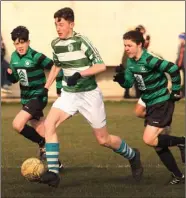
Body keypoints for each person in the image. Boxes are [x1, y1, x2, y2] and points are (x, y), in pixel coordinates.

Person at [37, 7, 143, 188]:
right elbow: (57, 65)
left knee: (103, 140)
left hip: (89, 95)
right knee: (49, 125)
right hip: (69, 95)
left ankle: (133, 155)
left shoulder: (82, 41)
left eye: (61, 24)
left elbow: (100, 66)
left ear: (71, 24)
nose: (58, 28)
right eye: (56, 24)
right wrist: (46, 87)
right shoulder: (56, 43)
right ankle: (54, 173)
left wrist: (79, 74)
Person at [113, 30, 185, 185]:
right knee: (157, 144)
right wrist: (120, 79)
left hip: (161, 101)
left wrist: (176, 91)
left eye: (129, 45)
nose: (126, 48)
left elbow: (172, 68)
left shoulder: (149, 59)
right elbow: (128, 83)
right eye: (124, 45)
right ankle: (178, 175)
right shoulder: (131, 62)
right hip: (150, 102)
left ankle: (182, 141)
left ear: (140, 44)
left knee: (148, 139)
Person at [6, 26, 63, 169]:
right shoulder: (13, 57)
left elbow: (57, 67)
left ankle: (42, 143)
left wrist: (58, 87)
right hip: (26, 99)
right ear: (14, 44)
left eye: (22, 42)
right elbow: (14, 79)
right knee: (43, 131)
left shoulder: (36, 56)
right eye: (17, 43)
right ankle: (56, 163)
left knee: (17, 124)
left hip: (38, 97)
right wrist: (9, 74)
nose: (20, 46)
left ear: (28, 42)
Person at [176, 32, 185, 97]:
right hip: (179, 64)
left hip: (185, 65)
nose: (180, 40)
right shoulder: (180, 46)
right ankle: (177, 92)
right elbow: (179, 55)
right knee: (176, 78)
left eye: (181, 38)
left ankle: (184, 94)